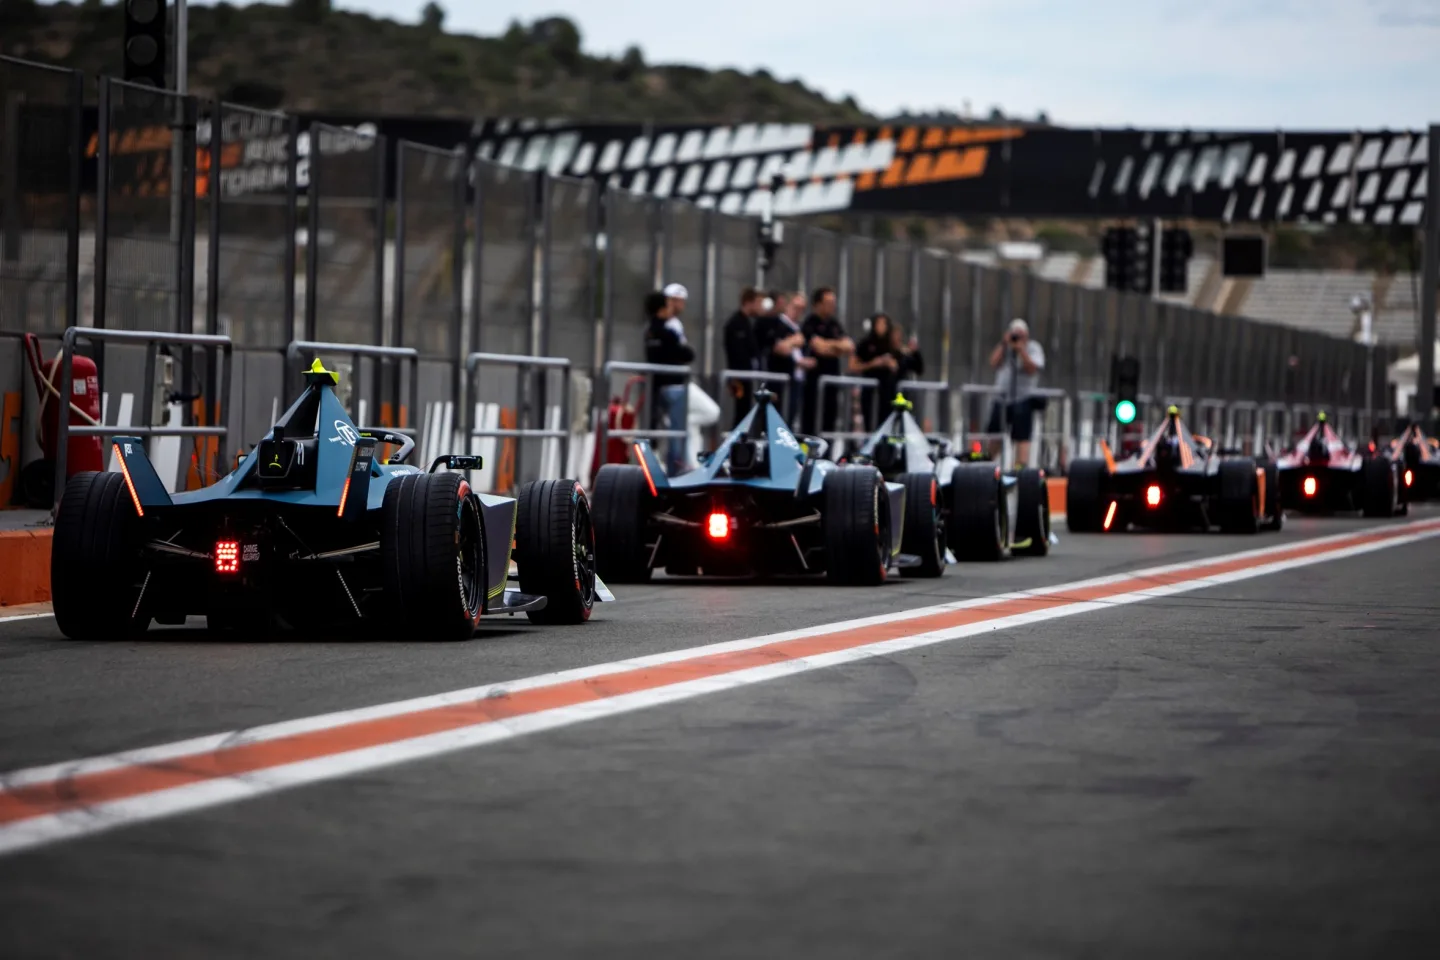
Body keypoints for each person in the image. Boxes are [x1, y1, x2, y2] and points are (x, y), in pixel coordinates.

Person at [644, 289, 695, 475]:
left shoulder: (649, 331)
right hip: (674, 386)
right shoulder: (667, 332)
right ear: (661, 309)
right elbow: (688, 354)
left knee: (654, 428)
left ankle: (651, 466)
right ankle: (676, 470)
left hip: (656, 387)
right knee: (677, 432)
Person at [986, 317, 1045, 466]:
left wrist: (1021, 350)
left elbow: (1032, 368)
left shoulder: (1033, 348)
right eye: (1014, 334)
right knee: (994, 439)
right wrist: (1004, 344)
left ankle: (1018, 472)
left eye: (1020, 335)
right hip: (1002, 399)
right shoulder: (1005, 348)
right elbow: (993, 363)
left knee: (1022, 440)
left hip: (1023, 399)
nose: (1017, 338)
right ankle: (985, 466)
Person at [851, 314, 925, 424]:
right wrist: (876, 363)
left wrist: (915, 353)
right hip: (877, 398)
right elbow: (854, 365)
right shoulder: (871, 347)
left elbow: (918, 368)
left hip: (897, 399)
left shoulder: (902, 354)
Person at [800, 287, 854, 436]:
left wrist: (830, 345)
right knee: (811, 422)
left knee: (829, 421)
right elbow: (819, 348)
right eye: (829, 302)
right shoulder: (810, 323)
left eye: (833, 302)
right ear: (818, 304)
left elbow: (849, 346)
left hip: (832, 381)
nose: (832, 306)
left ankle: (828, 454)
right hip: (814, 382)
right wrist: (836, 346)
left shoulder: (835, 324)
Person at [756, 290, 813, 425]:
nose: (798, 312)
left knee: (791, 417)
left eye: (802, 309)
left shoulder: (800, 327)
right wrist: (794, 341)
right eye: (796, 307)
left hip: (797, 378)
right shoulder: (777, 323)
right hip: (780, 378)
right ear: (787, 305)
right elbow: (779, 348)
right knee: (777, 417)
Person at [722, 286, 763, 427]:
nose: (760, 306)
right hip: (739, 378)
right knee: (741, 411)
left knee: (745, 411)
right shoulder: (735, 324)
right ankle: (735, 445)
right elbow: (735, 352)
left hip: (747, 376)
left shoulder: (748, 323)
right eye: (758, 302)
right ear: (748, 302)